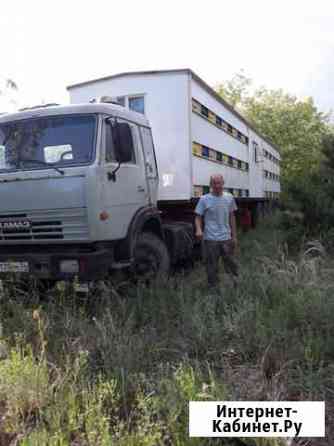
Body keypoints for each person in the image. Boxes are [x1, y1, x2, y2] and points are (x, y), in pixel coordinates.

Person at [195, 174, 239, 288]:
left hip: (226, 238)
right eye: (214, 183)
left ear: (223, 183)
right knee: (211, 267)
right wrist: (199, 229)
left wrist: (234, 236)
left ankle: (235, 286)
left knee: (231, 264)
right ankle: (213, 289)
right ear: (210, 185)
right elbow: (198, 217)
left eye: (219, 183)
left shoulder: (229, 197)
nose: (217, 185)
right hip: (210, 239)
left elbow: (232, 217)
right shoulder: (204, 199)